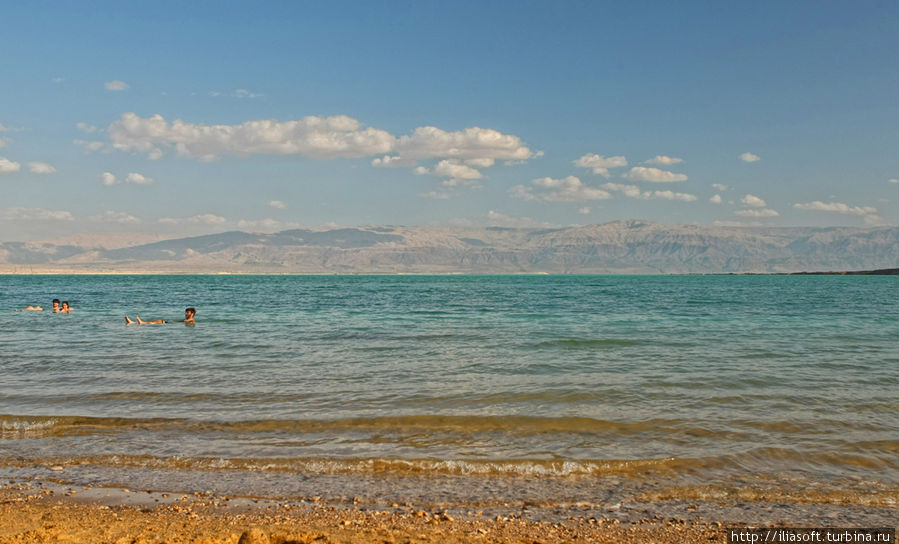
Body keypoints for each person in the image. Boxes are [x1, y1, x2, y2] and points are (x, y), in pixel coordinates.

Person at [125, 307, 196, 325]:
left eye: (187, 313)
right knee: (154, 321)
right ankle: (134, 322)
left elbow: (190, 320)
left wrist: (186, 320)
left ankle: (141, 323)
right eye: (186, 312)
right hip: (171, 323)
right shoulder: (189, 320)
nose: (186, 314)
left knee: (157, 321)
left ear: (192, 314)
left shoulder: (192, 320)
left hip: (171, 324)